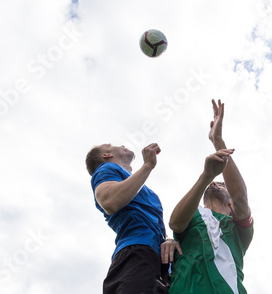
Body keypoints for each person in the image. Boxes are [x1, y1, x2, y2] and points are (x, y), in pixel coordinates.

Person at [169, 100, 254, 294]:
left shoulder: (239, 228)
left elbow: (240, 196)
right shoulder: (194, 214)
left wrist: (218, 141)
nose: (216, 183)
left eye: (223, 185)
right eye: (213, 182)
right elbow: (175, 224)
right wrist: (206, 176)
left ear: (230, 201)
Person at [86, 142, 182, 294]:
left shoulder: (138, 186)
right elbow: (109, 201)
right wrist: (148, 165)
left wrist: (167, 239)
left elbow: (152, 222)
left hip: (158, 260)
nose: (122, 144)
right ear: (106, 155)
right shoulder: (106, 169)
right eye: (112, 145)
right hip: (136, 251)